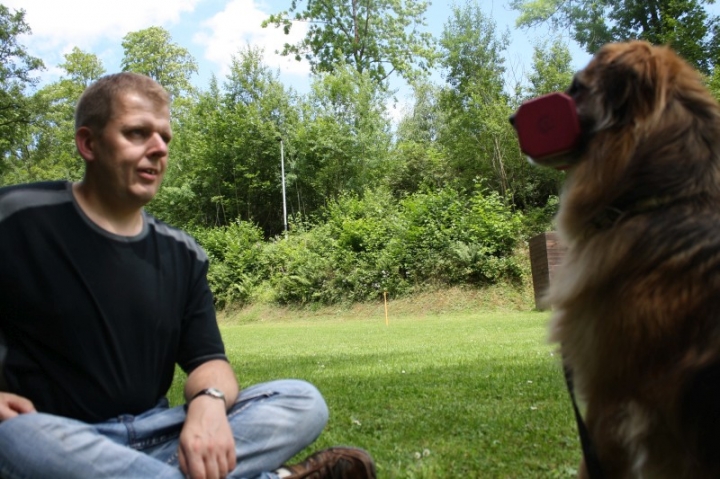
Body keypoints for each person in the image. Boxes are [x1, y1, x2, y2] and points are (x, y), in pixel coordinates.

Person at [0, 72, 376, 479]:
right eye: (137, 133)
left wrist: (210, 405)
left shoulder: (183, 253)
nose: (159, 148)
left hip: (153, 433)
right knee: (12, 438)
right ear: (88, 143)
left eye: (165, 137)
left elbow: (209, 362)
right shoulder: (17, 217)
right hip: (50, 435)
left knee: (302, 401)